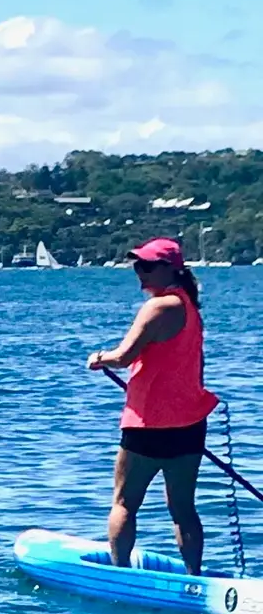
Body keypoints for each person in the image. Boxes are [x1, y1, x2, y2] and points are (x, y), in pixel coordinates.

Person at [86, 237, 218, 573]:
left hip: (148, 423)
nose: (140, 272)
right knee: (183, 509)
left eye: (147, 266)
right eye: (137, 266)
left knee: (124, 503)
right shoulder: (190, 308)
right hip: (189, 423)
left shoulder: (159, 307)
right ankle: (194, 576)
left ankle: (120, 573)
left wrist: (99, 358)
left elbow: (124, 356)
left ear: (170, 269)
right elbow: (198, 366)